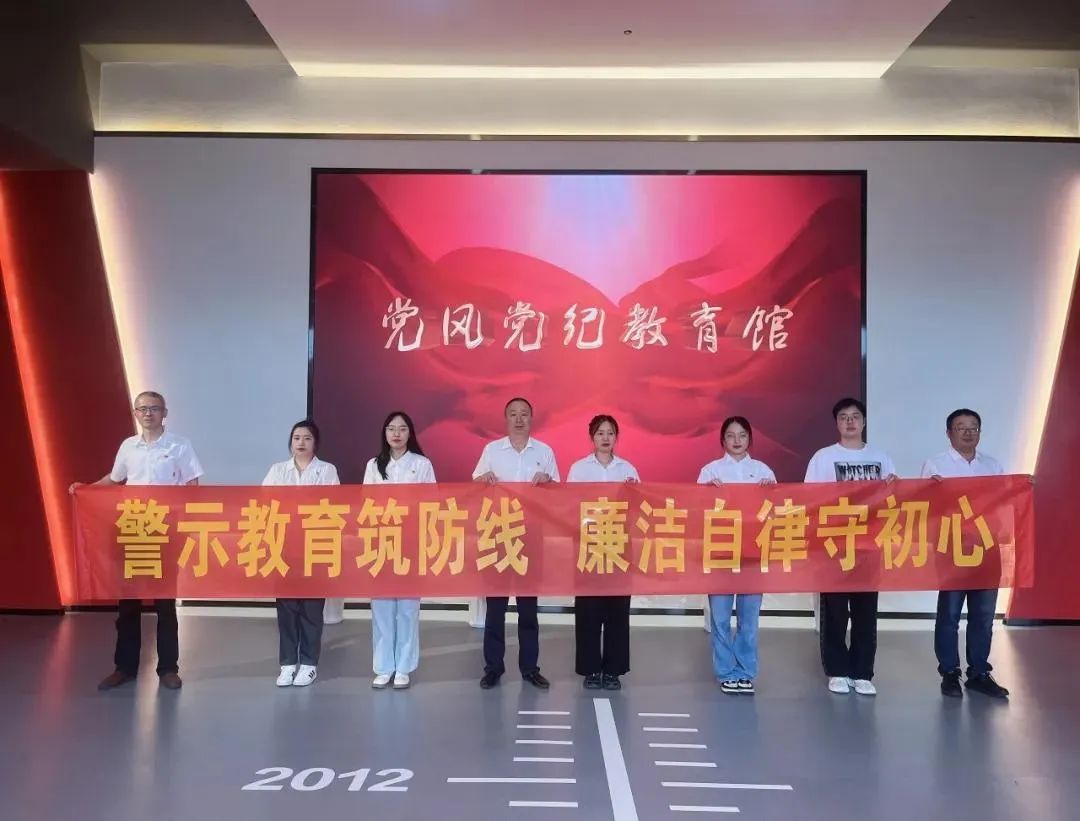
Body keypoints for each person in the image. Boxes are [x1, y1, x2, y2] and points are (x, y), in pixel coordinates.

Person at [69, 391, 203, 691]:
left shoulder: (180, 445)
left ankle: (168, 668)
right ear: (135, 413)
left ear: (164, 412)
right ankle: (124, 667)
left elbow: (193, 485)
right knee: (128, 602)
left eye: (154, 408)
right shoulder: (128, 446)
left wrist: (183, 518)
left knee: (165, 603)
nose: (148, 413)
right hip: (133, 527)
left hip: (165, 529)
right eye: (142, 409)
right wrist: (85, 488)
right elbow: (114, 479)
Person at [804, 398, 897, 697]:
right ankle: (837, 670)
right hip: (834, 546)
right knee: (834, 612)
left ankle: (862, 672)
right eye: (843, 417)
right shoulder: (823, 458)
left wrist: (894, 486)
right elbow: (809, 498)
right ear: (837, 423)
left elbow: (893, 499)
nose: (850, 421)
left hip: (869, 546)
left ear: (864, 421)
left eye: (855, 416)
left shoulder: (881, 457)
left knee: (865, 612)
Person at [922, 408, 1009, 699]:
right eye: (961, 427)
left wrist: (1023, 486)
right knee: (949, 614)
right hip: (953, 548)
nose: (968, 432)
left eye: (974, 427)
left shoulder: (992, 465)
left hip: (986, 547)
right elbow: (923, 506)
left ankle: (979, 672)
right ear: (949, 433)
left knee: (983, 615)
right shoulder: (936, 465)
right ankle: (949, 672)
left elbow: (1005, 500)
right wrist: (930, 490)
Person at [473, 397, 559, 690]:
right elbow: (474, 486)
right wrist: (483, 479)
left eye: (524, 414)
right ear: (506, 418)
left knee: (528, 608)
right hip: (497, 535)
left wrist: (548, 481)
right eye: (513, 414)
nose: (519, 419)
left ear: (531, 419)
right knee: (495, 608)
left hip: (530, 536)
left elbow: (559, 494)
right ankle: (493, 668)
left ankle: (530, 668)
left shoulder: (544, 452)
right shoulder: (491, 450)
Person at [697, 416, 777, 695]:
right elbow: (696, 510)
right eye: (731, 435)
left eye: (742, 435)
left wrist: (770, 493)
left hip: (752, 554)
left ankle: (745, 671)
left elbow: (776, 511)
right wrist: (706, 495)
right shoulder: (710, 471)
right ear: (723, 440)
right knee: (720, 618)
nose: (736, 440)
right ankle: (725, 672)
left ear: (749, 439)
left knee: (749, 618)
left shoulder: (763, 471)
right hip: (720, 553)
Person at [262, 420, 339, 687]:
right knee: (286, 608)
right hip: (284, 545)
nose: (301, 442)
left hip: (315, 545)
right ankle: (287, 664)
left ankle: (308, 663)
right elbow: (265, 504)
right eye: (296, 438)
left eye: (307, 438)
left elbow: (333, 506)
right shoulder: (277, 470)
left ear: (315, 442)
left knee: (311, 608)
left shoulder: (327, 471)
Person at [362, 411, 436, 690]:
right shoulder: (373, 465)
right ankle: (383, 668)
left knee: (407, 607)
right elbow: (366, 501)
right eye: (391, 428)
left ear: (410, 433)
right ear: (384, 433)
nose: (396, 433)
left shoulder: (422, 464)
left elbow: (432, 501)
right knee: (381, 607)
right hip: (381, 541)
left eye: (402, 428)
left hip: (411, 541)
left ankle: (403, 667)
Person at [567, 414, 639, 690]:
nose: (605, 438)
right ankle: (590, 669)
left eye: (610, 433)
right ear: (592, 438)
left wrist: (635, 492)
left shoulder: (627, 469)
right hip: (589, 545)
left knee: (617, 610)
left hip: (619, 546)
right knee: (588, 609)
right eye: (600, 433)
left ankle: (613, 671)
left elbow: (638, 509)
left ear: (616, 437)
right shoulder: (579, 469)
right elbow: (568, 505)